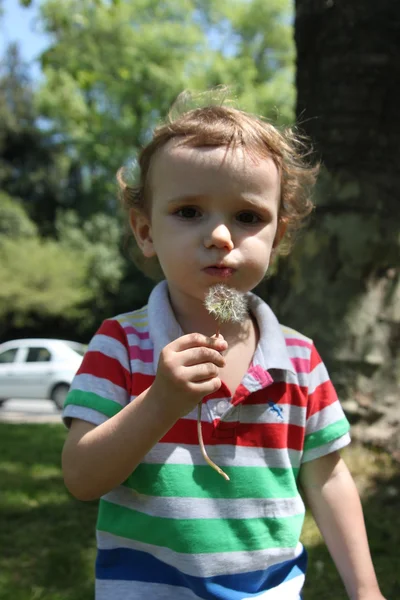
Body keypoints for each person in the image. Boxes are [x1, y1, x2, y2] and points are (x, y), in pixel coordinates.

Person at [61, 91, 385, 600]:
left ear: (277, 237)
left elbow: (329, 480)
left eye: (248, 217)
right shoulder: (121, 343)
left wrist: (366, 591)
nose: (219, 234)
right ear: (145, 231)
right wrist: (161, 402)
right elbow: (81, 477)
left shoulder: (299, 358)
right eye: (189, 211)